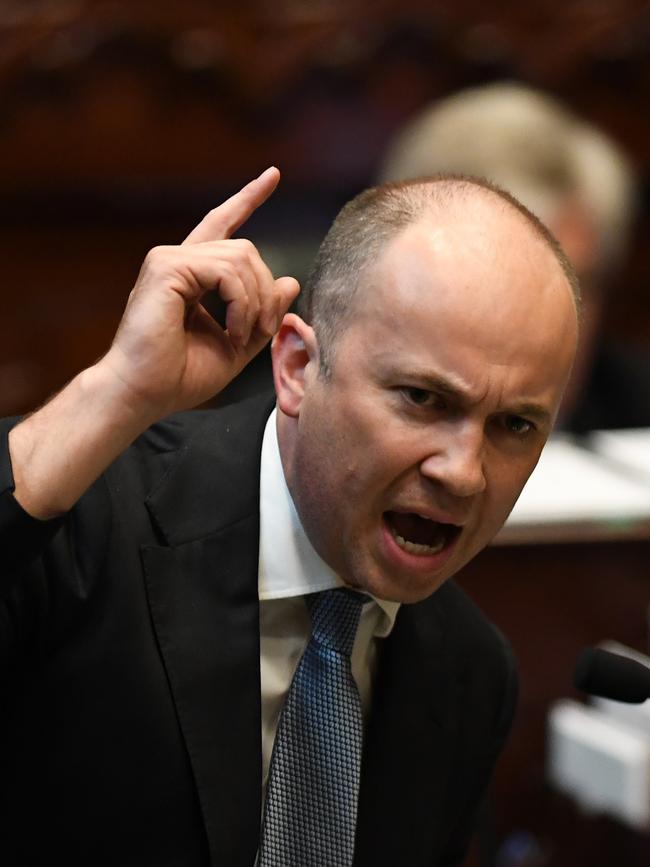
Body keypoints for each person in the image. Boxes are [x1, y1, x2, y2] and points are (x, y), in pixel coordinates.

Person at [0, 167, 578, 866]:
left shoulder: (468, 673)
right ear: (299, 365)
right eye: (423, 399)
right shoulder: (86, 529)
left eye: (514, 425)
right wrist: (117, 389)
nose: (463, 471)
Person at [380, 81, 650, 433]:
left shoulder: (637, 403)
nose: (555, 325)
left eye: (581, 287)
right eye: (512, 292)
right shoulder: (310, 408)